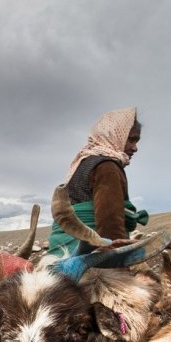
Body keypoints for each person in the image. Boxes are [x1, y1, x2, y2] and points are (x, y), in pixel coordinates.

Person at [46, 107, 149, 256]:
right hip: (90, 256)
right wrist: (117, 258)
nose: (135, 148)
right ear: (114, 135)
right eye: (131, 140)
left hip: (63, 250)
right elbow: (109, 221)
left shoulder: (84, 161)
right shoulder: (107, 166)